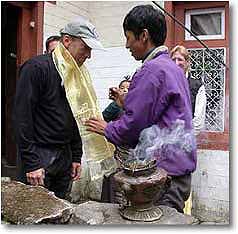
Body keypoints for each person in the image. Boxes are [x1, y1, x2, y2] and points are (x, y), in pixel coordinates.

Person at [85, 5, 197, 213]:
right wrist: (126, 101)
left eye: (129, 37)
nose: (127, 45)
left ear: (144, 35)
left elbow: (134, 126)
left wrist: (106, 128)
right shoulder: (171, 67)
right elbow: (159, 113)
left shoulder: (152, 70)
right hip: (177, 170)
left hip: (163, 176)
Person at [13, 17, 104, 199]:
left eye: (90, 49)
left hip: (64, 157)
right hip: (39, 156)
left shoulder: (76, 75)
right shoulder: (37, 68)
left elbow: (79, 116)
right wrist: (31, 163)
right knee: (35, 215)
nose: (88, 55)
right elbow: (22, 118)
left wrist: (76, 156)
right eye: (85, 47)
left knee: (61, 212)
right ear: (67, 41)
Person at [170, 45, 207, 135]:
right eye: (173, 60)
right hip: (164, 140)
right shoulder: (165, 83)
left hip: (186, 141)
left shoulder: (197, 86)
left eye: (180, 59)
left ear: (187, 63)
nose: (176, 63)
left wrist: (182, 137)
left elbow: (199, 121)